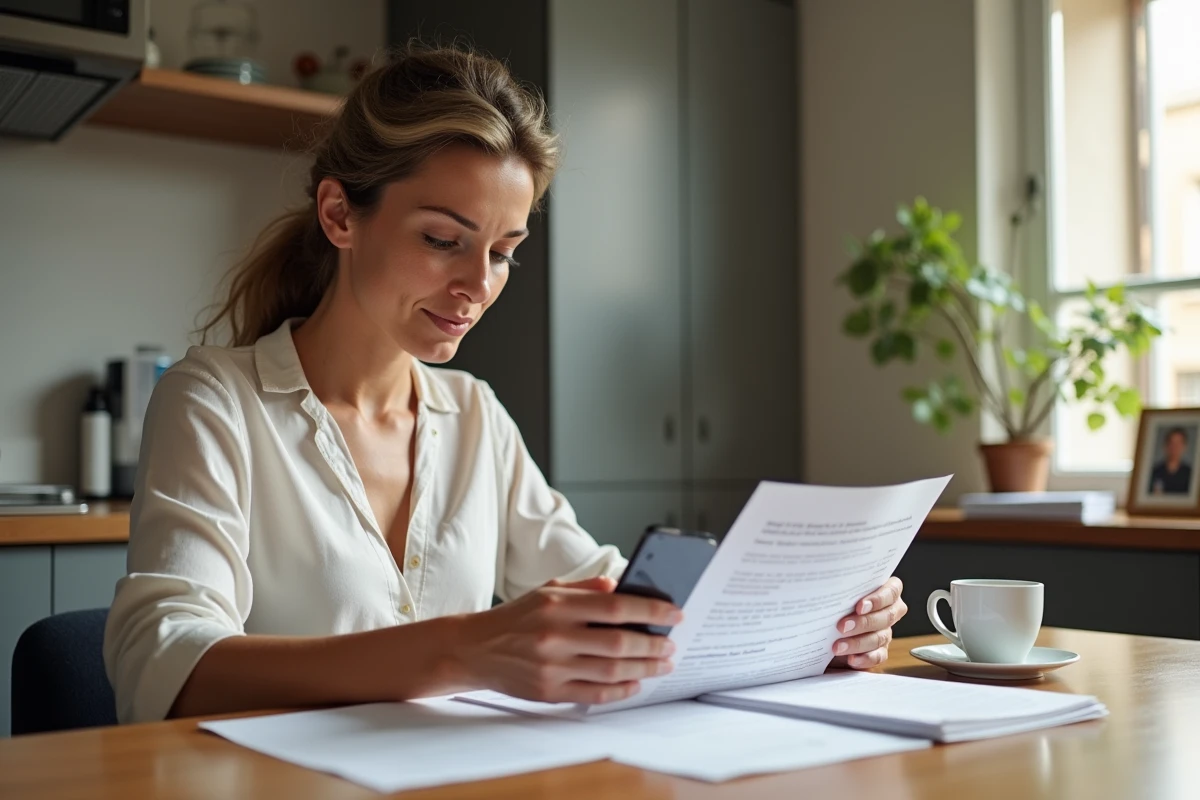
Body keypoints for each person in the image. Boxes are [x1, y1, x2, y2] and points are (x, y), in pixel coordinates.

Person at [102, 45, 908, 725]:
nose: (476, 285)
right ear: (341, 216)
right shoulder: (217, 401)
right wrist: (466, 648)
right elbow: (168, 665)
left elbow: (611, 593)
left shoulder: (472, 415)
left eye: (502, 251)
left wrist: (818, 629)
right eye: (443, 239)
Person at [1149, 426, 1193, 495]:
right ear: (1165, 445)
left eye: (1178, 444)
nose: (1174, 448)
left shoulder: (1190, 474)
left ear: (1184, 447)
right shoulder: (1153, 472)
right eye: (1172, 443)